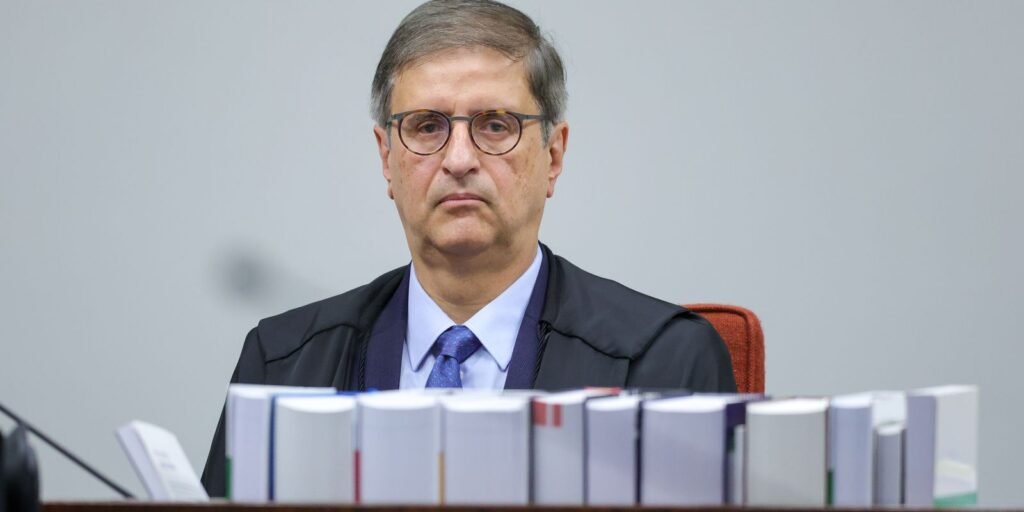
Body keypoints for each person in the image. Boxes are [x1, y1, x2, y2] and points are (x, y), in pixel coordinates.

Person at [200, 0, 736, 496]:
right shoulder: (283, 363)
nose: (459, 159)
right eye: (427, 126)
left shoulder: (661, 360)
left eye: (496, 125)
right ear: (386, 158)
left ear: (553, 155)